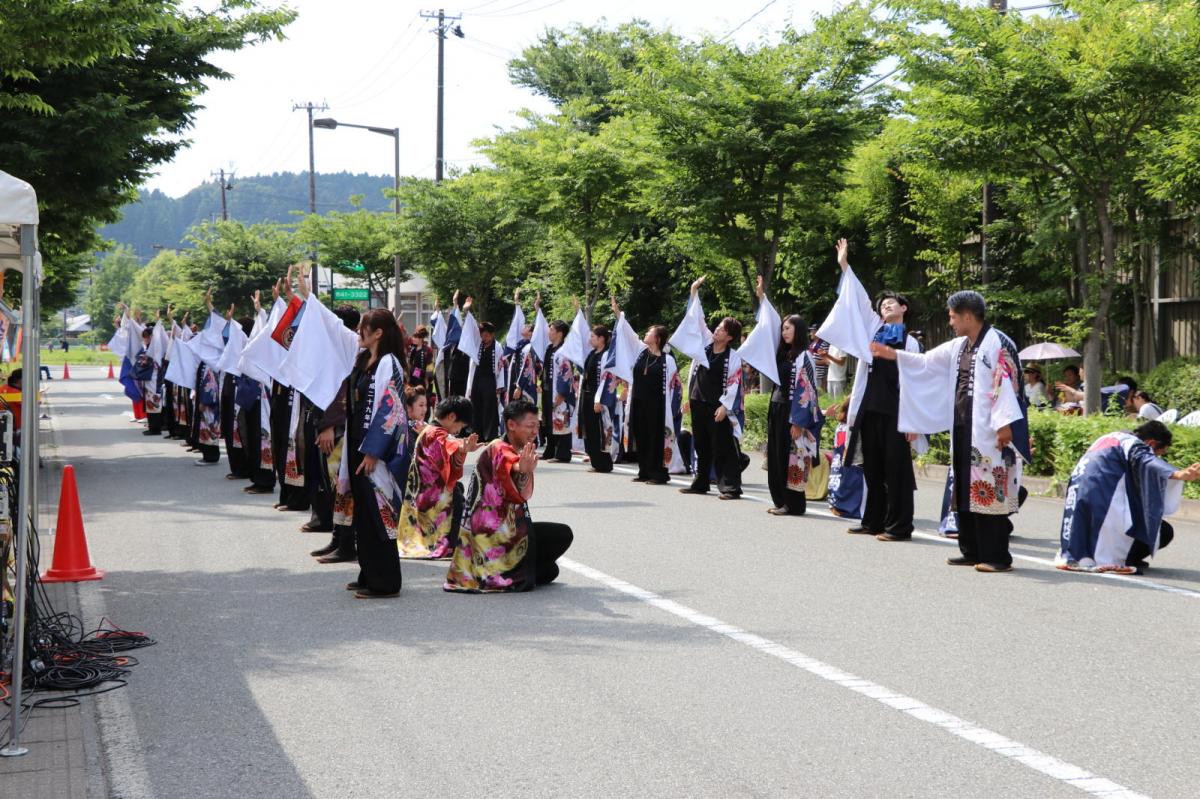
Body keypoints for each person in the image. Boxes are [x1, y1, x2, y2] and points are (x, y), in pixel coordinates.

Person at [873, 289, 1030, 573]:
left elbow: (1008, 385)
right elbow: (926, 362)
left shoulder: (998, 342)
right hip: (963, 428)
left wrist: (1006, 424)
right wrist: (893, 354)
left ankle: (996, 555)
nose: (951, 322)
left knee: (988, 491)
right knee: (965, 491)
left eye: (953, 317)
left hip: (990, 432)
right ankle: (971, 549)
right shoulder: (959, 345)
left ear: (968, 315)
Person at [817, 238, 921, 542]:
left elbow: (914, 384)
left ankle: (900, 526)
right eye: (882, 304)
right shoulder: (872, 331)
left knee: (896, 471)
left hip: (897, 414)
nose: (885, 305)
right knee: (872, 468)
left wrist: (914, 422)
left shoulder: (911, 342)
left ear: (904, 308)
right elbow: (858, 299)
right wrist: (844, 264)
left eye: (892, 303)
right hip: (870, 410)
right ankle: (872, 520)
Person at [444, 399, 574, 592]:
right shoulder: (498, 447)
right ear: (511, 425)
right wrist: (521, 468)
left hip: (506, 531)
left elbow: (515, 486)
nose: (534, 431)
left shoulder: (512, 448)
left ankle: (518, 568)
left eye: (537, 426)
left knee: (553, 561)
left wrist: (522, 469)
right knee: (554, 550)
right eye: (530, 426)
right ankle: (505, 570)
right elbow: (510, 464)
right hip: (491, 537)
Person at [1056, 421, 1200, 574]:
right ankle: (1124, 559)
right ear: (1151, 443)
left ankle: (1076, 555)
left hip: (1080, 494)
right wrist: (1177, 474)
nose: (1158, 457)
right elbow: (1147, 461)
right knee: (1162, 530)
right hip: (1105, 501)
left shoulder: (1110, 438)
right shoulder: (1136, 445)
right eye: (1158, 453)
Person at [338, 308, 410, 599]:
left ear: (378, 333)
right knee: (364, 516)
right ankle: (368, 572)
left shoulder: (389, 363)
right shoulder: (364, 361)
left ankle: (386, 581)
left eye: (363, 327)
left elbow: (390, 411)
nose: (359, 331)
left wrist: (372, 451)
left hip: (375, 452)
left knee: (378, 516)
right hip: (358, 445)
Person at [672, 276, 745, 500]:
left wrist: (725, 406)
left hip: (717, 406)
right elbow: (697, 319)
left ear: (730, 336)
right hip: (697, 400)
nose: (717, 331)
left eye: (723, 330)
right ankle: (700, 482)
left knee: (722, 446)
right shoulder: (704, 343)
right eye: (718, 327)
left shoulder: (733, 357)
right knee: (701, 445)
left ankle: (730, 487)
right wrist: (694, 291)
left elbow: (734, 382)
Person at [397, 395, 479, 559]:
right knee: (457, 503)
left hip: (422, 489)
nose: (459, 430)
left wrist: (460, 447)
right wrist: (462, 448)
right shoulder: (436, 433)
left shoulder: (429, 430)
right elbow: (449, 443)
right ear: (451, 417)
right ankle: (449, 545)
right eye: (460, 426)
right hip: (432, 493)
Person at [764, 301, 824, 516]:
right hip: (776, 409)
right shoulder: (782, 353)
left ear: (798, 330)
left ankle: (794, 504)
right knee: (776, 456)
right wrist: (763, 298)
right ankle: (780, 501)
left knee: (792, 457)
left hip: (792, 413)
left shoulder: (804, 355)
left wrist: (798, 421)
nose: (784, 332)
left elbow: (807, 390)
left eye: (788, 328)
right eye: (783, 328)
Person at [626, 323, 684, 485]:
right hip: (638, 402)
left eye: (649, 333)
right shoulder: (641, 353)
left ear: (657, 339)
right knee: (641, 435)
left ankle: (659, 474)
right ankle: (644, 471)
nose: (645, 334)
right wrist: (619, 316)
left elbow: (676, 385)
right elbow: (630, 336)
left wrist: (673, 408)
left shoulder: (667, 360)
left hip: (657, 405)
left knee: (656, 438)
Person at [580, 323, 617, 473]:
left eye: (593, 336)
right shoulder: (592, 353)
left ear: (602, 338)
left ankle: (605, 463)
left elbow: (607, 379)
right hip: (588, 395)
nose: (590, 339)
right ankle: (596, 461)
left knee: (601, 430)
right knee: (590, 430)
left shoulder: (607, 355)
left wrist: (600, 399)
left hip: (599, 397)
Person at [540, 319, 576, 463]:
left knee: (561, 420)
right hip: (547, 389)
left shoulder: (564, 351)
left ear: (560, 333)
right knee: (549, 421)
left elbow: (566, 374)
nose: (549, 332)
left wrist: (561, 393)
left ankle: (563, 454)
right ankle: (550, 450)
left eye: (552, 330)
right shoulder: (550, 348)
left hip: (559, 391)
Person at [826, 400, 866, 519]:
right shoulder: (853, 428)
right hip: (850, 465)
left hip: (838, 464)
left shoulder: (841, 426)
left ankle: (837, 504)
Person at [468, 319, 502, 442]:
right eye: (482, 335)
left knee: (489, 407)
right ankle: (478, 434)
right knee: (476, 406)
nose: (484, 338)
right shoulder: (478, 346)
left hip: (490, 380)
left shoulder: (497, 347)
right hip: (478, 379)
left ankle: (490, 435)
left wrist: (500, 385)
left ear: (492, 335)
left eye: (487, 335)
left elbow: (501, 367)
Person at [807, 326, 830, 392]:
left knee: (819, 397)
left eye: (812, 331)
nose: (810, 333)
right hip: (811, 375)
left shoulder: (824, 344)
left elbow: (827, 361)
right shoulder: (811, 344)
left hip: (819, 377)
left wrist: (812, 361)